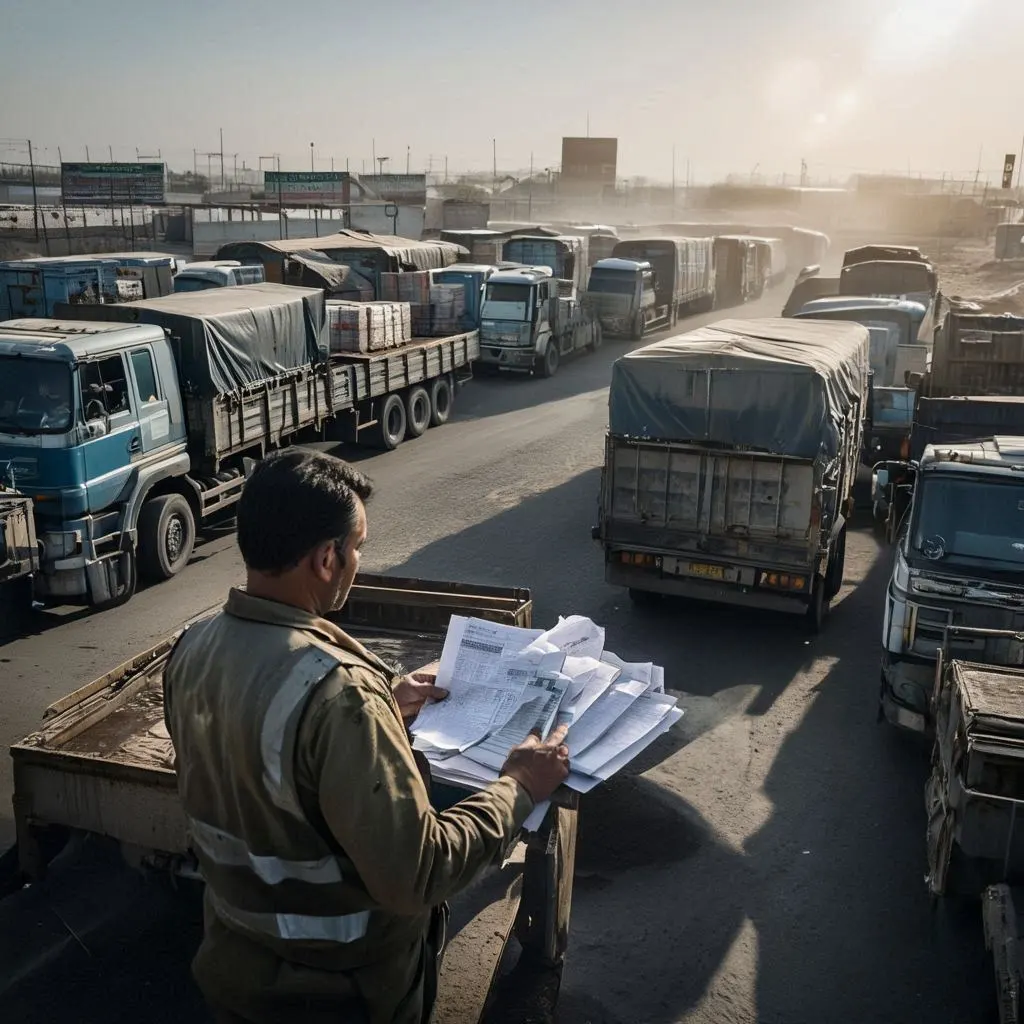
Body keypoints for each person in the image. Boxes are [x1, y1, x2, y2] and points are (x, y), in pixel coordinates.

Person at [163, 449, 569, 1024]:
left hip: (236, 971)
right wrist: (520, 785)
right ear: (327, 558)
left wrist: (385, 707)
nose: (358, 562)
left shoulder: (193, 649)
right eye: (358, 548)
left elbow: (267, 767)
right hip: (339, 996)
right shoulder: (341, 694)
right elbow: (419, 873)